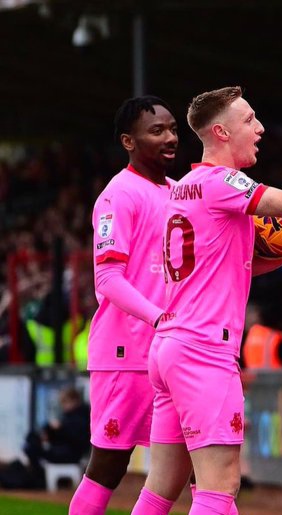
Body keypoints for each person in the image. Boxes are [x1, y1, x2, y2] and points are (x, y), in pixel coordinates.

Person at [130, 86, 282, 515]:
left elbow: (232, 268)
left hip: (171, 347)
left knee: (161, 488)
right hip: (204, 350)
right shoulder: (223, 180)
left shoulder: (185, 186)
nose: (260, 128)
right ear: (221, 132)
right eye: (249, 120)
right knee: (220, 485)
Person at [69, 96, 178, 515]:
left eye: (172, 129)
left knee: (198, 466)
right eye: (157, 131)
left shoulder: (180, 192)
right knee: (109, 466)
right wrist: (160, 317)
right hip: (126, 354)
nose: (170, 138)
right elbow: (107, 279)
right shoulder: (118, 196)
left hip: (173, 349)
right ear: (128, 141)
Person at [0, 386, 90, 490]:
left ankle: (38, 478)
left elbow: (76, 439)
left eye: (65, 402)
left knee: (33, 447)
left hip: (69, 453)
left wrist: (59, 429)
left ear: (74, 400)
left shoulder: (81, 416)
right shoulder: (70, 416)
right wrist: (51, 433)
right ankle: (36, 475)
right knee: (32, 439)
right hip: (62, 449)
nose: (63, 405)